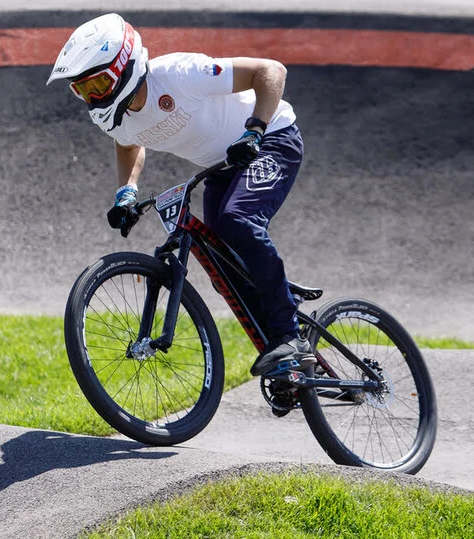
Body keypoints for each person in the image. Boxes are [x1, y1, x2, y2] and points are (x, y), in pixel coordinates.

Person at [46, 13, 316, 377]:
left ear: (125, 66)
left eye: (97, 85)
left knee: (238, 220)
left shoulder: (178, 74)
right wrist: (127, 192)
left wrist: (254, 131)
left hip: (271, 141)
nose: (92, 98)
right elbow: (127, 145)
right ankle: (287, 363)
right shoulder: (112, 115)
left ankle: (290, 338)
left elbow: (271, 70)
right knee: (223, 263)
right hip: (222, 167)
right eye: (83, 90)